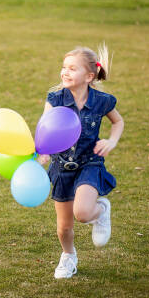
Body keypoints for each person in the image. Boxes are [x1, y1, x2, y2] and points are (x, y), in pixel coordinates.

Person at [36, 44, 124, 279]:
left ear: (89, 76)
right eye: (64, 67)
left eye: (72, 69)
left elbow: (118, 122)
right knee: (64, 227)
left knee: (83, 213)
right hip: (62, 166)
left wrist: (111, 141)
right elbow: (45, 128)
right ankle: (68, 256)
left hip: (89, 163)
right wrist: (42, 151)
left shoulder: (102, 101)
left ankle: (101, 211)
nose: (65, 72)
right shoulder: (55, 99)